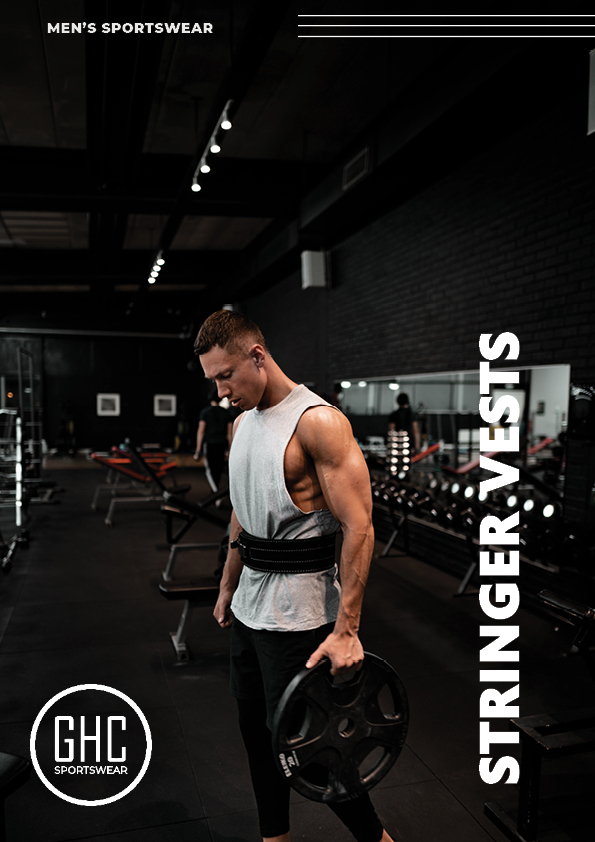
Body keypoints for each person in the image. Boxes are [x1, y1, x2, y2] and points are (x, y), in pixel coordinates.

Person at [195, 310, 394, 842]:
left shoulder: (318, 422)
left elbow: (359, 527)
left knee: (311, 748)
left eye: (226, 375)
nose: (221, 390)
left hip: (301, 615)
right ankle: (274, 838)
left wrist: (347, 628)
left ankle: (378, 839)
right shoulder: (240, 423)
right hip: (249, 609)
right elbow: (242, 510)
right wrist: (226, 584)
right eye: (213, 379)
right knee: (257, 739)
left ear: (257, 356)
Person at [193, 387, 232, 494]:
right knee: (218, 470)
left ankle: (216, 494)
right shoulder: (226, 413)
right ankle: (217, 494)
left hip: (210, 445)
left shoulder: (205, 413)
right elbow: (229, 435)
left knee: (211, 470)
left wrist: (198, 449)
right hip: (222, 445)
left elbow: (201, 431)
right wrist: (230, 449)